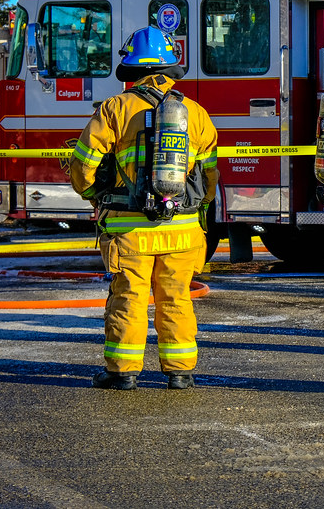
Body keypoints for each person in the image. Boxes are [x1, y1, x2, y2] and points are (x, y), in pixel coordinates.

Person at [70, 26, 219, 390]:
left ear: (131, 70)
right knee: (177, 298)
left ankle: (122, 373)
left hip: (129, 228)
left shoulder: (114, 109)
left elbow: (83, 167)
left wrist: (95, 196)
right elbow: (209, 179)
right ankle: (180, 372)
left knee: (129, 297)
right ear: (170, 69)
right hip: (183, 230)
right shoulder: (195, 113)